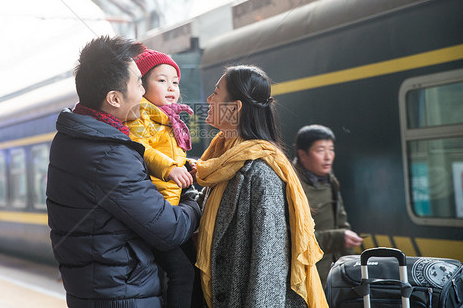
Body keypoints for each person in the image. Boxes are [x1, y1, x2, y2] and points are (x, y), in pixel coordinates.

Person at [46, 36, 201, 308]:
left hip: (106, 289)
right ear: (114, 98)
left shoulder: (78, 137)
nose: (143, 93)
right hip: (122, 295)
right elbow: (170, 228)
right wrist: (193, 199)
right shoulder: (107, 154)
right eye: (139, 83)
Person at [195, 65, 327, 308]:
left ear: (234, 108)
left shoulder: (261, 172)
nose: (209, 99)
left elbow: (268, 270)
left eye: (216, 93)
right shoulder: (222, 160)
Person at [125, 49, 198, 308]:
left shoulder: (168, 119)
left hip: (172, 209)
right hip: (157, 211)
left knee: (190, 269)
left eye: (175, 82)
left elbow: (173, 155)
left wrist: (188, 165)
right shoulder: (139, 115)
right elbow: (140, 148)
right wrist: (169, 169)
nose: (171, 87)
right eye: (161, 80)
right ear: (141, 85)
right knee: (182, 272)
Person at [293, 124, 363, 287]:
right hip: (307, 277)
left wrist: (350, 270)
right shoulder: (292, 186)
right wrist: (338, 238)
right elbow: (293, 239)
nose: (328, 157)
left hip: (333, 276)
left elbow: (341, 223)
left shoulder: (331, 182)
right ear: (303, 155)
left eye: (331, 149)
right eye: (320, 150)